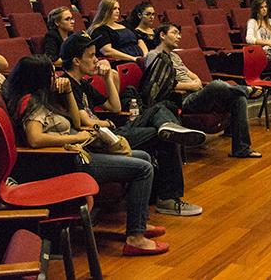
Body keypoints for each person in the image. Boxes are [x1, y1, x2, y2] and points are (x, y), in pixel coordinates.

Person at [3, 55, 169, 256]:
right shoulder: (31, 102)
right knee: (143, 169)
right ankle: (135, 238)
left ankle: (138, 222)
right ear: (38, 78)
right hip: (67, 161)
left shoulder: (45, 97)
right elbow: (35, 139)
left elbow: (76, 121)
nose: (55, 77)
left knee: (142, 156)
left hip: (77, 153)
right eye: (51, 74)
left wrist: (68, 93)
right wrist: (74, 138)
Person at [60, 32, 205, 216]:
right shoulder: (67, 85)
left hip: (113, 132)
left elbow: (114, 106)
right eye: (91, 55)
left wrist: (107, 79)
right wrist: (106, 122)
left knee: (162, 110)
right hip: (103, 140)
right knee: (162, 135)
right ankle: (168, 199)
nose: (96, 60)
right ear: (76, 61)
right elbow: (85, 122)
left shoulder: (82, 83)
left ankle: (168, 126)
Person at [147, 23, 263, 158]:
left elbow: (193, 75)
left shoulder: (175, 56)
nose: (178, 37)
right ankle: (245, 89)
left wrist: (195, 83)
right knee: (216, 85)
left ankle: (241, 149)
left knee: (238, 99)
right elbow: (160, 85)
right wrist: (191, 86)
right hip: (182, 100)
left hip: (196, 94)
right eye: (174, 33)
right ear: (162, 35)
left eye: (179, 33)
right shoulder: (154, 55)